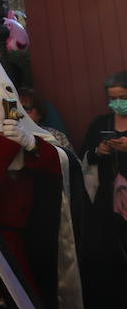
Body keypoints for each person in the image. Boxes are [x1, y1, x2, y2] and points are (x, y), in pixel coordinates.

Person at [80, 70, 127, 305]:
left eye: (122, 97)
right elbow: (84, 156)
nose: (118, 103)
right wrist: (99, 151)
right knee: (107, 252)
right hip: (107, 198)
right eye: (113, 98)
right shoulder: (100, 123)